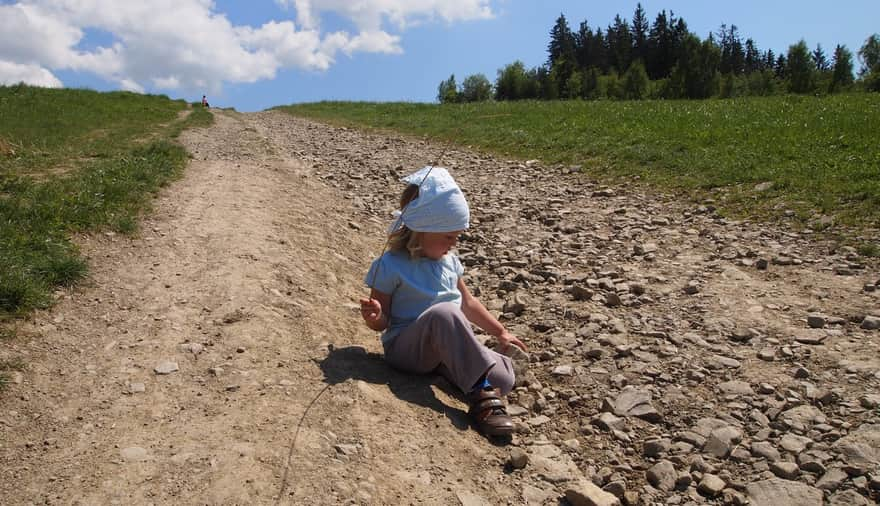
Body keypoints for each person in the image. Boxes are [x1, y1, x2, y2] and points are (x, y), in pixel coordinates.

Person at [359, 166, 527, 436]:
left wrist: (501, 332)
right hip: (407, 349)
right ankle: (480, 395)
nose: (454, 244)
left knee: (505, 379)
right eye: (449, 236)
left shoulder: (449, 262)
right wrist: (375, 317)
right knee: (445, 312)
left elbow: (469, 303)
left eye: (457, 237)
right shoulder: (390, 265)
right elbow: (383, 323)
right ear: (422, 230)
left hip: (440, 348)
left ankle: (461, 373)